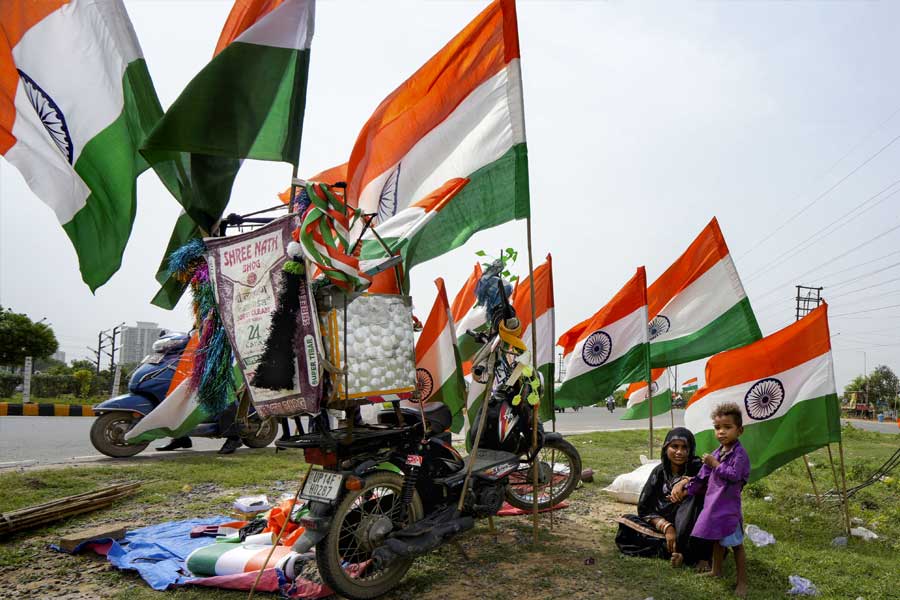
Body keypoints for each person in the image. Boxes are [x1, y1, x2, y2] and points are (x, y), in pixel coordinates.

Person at [615, 428, 711, 567]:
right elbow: (644, 508)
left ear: (691, 449)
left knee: (695, 500)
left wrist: (685, 481)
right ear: (666, 448)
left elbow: (710, 484)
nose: (679, 452)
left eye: (684, 447)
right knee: (626, 524)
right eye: (674, 446)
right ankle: (678, 550)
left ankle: (685, 551)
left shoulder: (698, 467)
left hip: (691, 528)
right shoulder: (659, 472)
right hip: (664, 528)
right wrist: (667, 528)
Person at [683, 402, 751, 597]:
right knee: (716, 539)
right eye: (717, 427)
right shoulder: (717, 452)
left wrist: (715, 464)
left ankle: (742, 582)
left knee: (736, 544)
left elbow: (734, 475)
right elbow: (702, 476)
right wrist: (688, 489)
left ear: (739, 430)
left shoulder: (739, 454)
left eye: (727, 427)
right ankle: (716, 570)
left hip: (729, 508)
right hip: (713, 504)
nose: (721, 432)